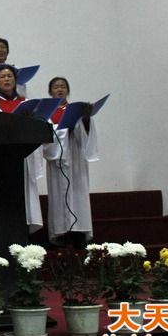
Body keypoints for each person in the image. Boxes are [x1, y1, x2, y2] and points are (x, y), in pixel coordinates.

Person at [0, 66, 44, 234]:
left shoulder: (25, 103)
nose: (7, 79)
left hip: (24, 155)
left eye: (10, 76)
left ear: (16, 80)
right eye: (3, 77)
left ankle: (26, 230)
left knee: (26, 195)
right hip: (3, 155)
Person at [43, 76, 98, 247]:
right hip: (58, 161)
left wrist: (86, 119)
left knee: (78, 194)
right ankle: (61, 234)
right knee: (59, 195)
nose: (59, 89)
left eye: (63, 86)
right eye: (56, 87)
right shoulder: (48, 113)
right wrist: (64, 131)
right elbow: (46, 140)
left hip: (76, 159)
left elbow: (86, 135)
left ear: (67, 90)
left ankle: (79, 233)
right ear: (50, 91)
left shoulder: (77, 111)